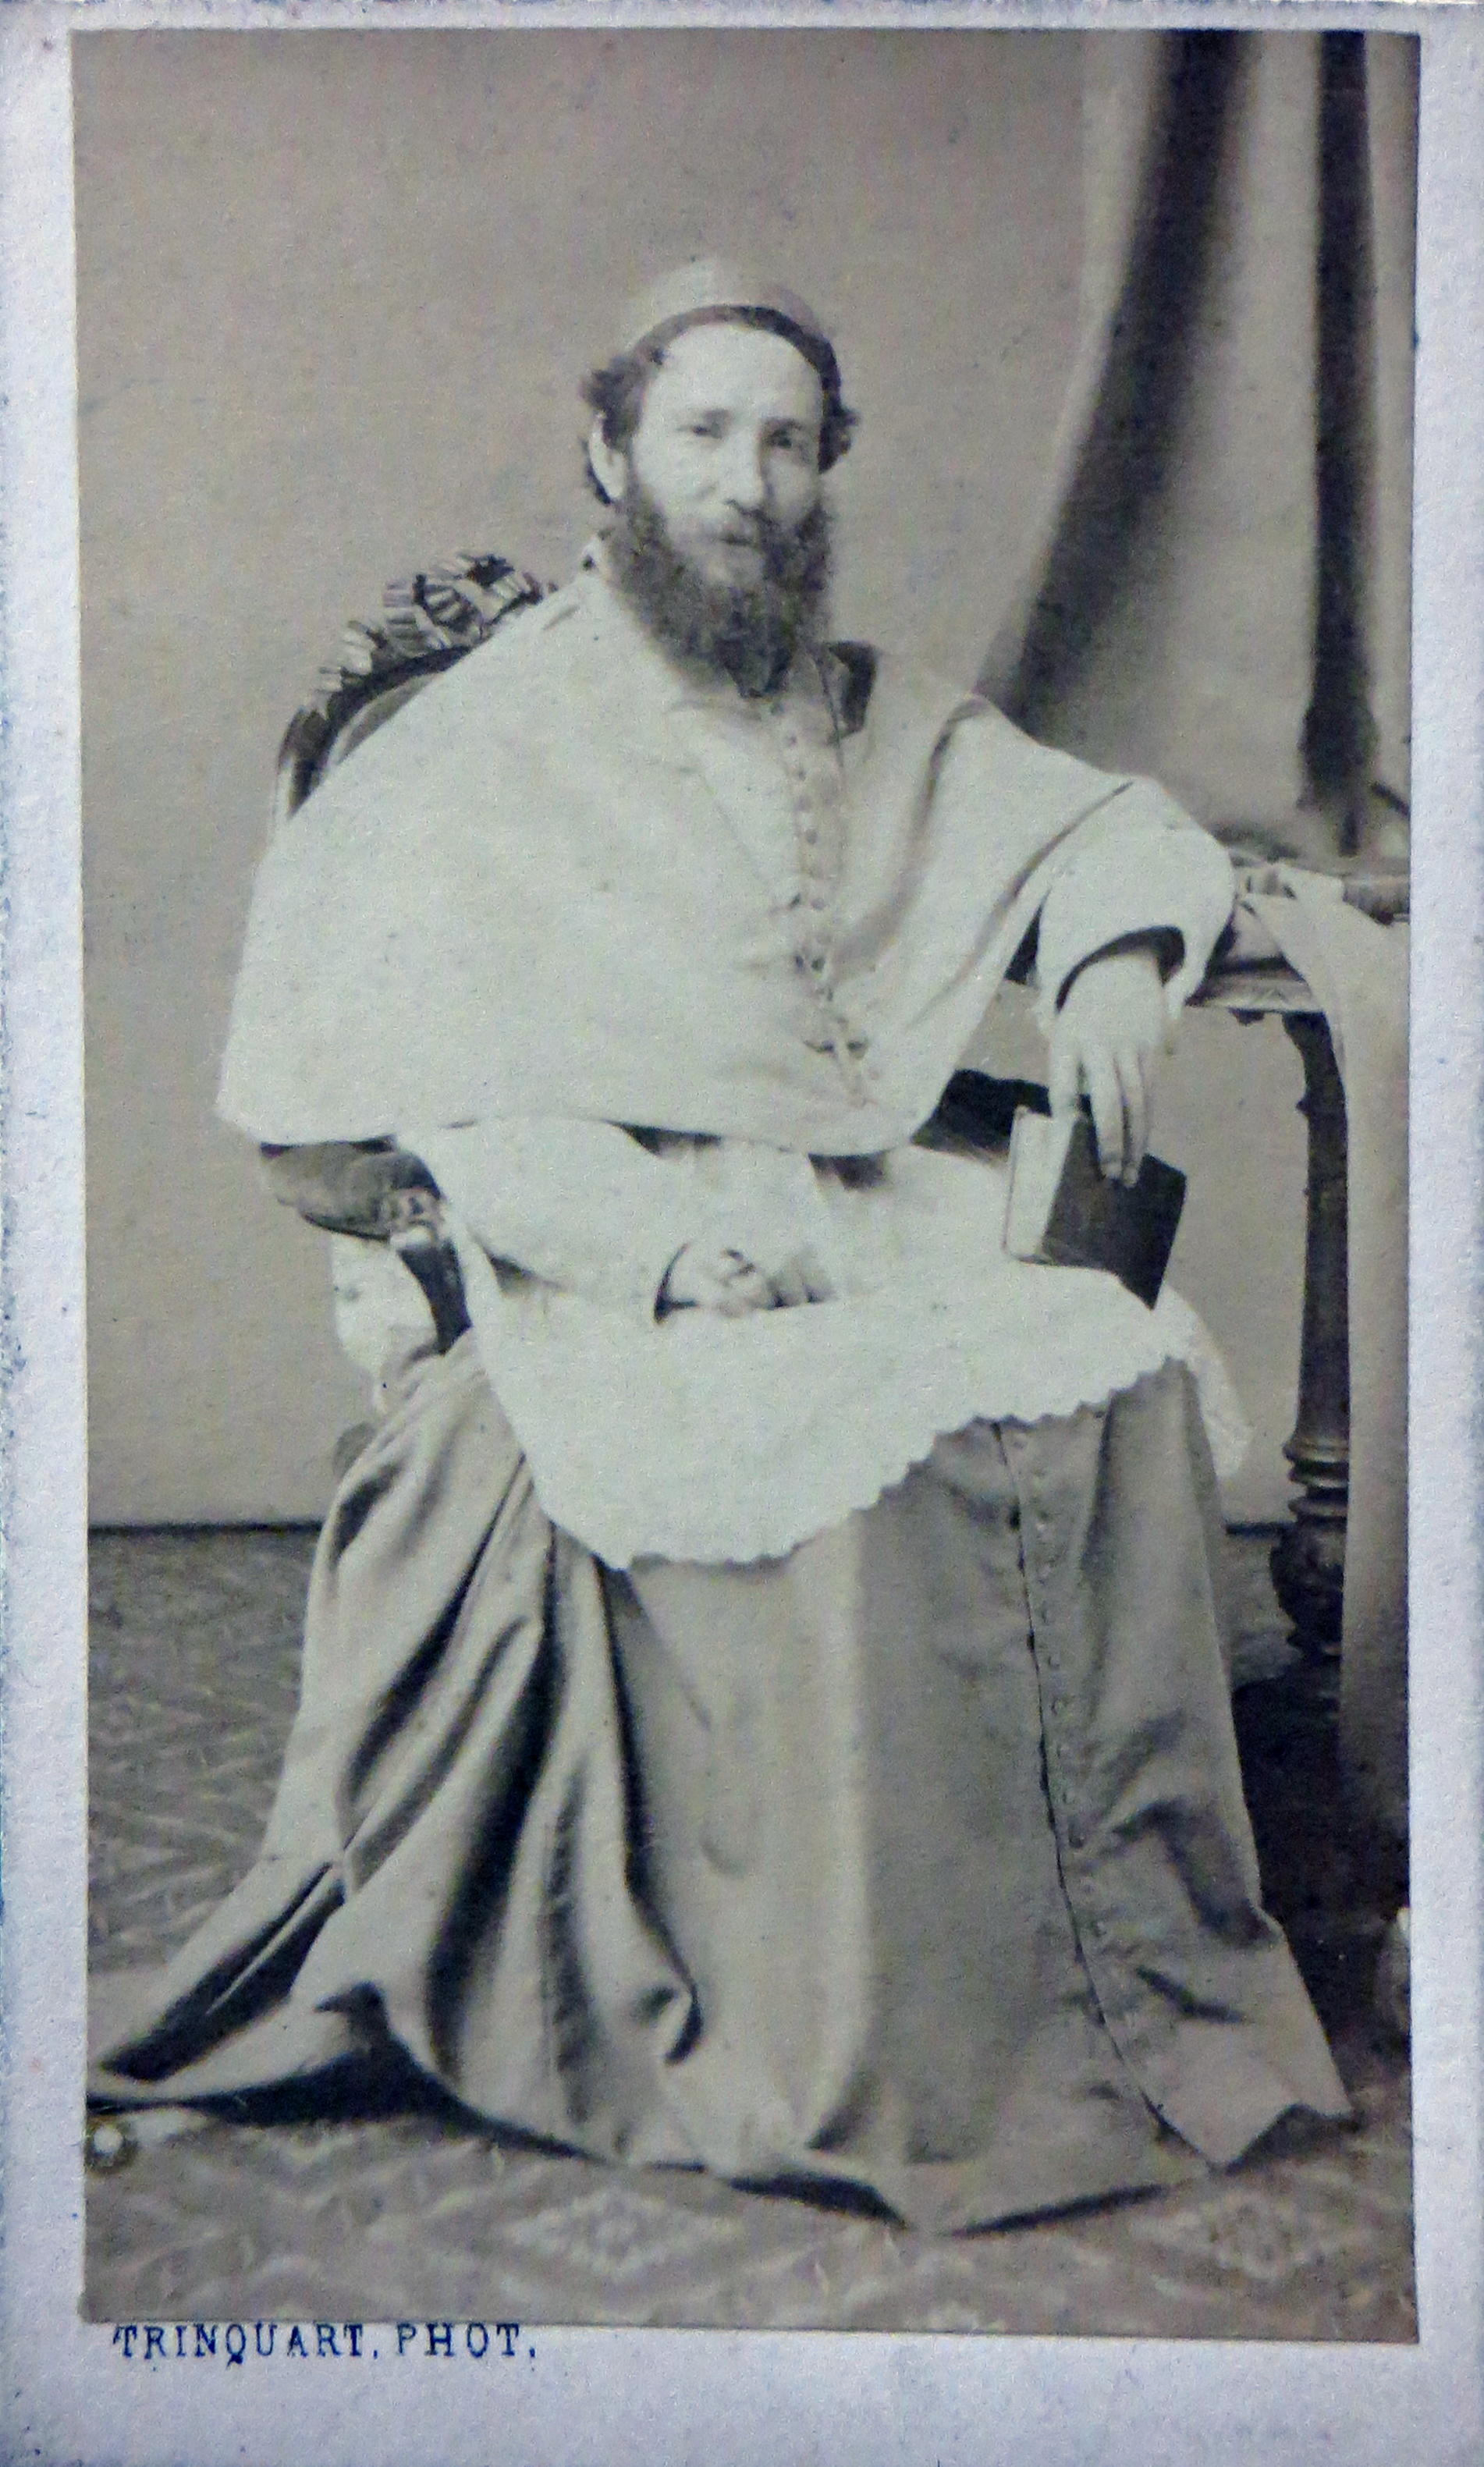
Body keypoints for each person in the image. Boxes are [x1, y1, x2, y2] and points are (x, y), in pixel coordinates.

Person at [91, 262, 1348, 2233]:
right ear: (609, 453)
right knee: (820, 1427)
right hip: (608, 1221)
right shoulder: (485, 740)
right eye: (701, 436)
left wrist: (1112, 956)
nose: (746, 485)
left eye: (786, 443)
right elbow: (445, 1094)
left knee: (1094, 1358)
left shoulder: (860, 710)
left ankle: (1092, 1969)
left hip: (861, 1182)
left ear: (827, 469)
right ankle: (874, 2018)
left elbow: (1098, 823)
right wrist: (664, 1255)